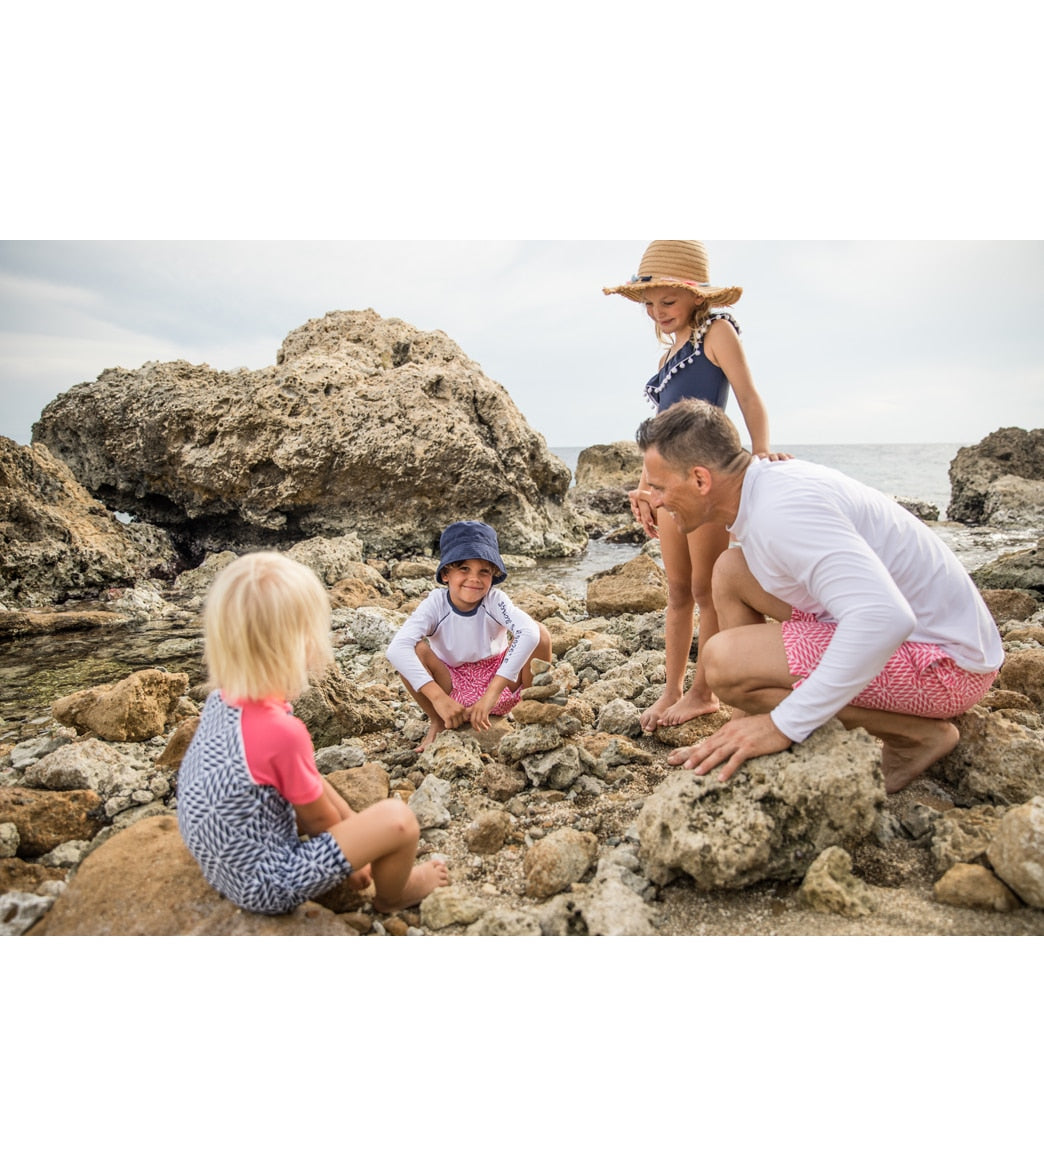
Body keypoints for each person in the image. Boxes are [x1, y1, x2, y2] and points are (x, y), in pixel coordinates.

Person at [635, 400, 1003, 794]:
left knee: (724, 662)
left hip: (946, 667)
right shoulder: (762, 489)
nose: (653, 500)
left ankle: (913, 736)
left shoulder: (782, 513)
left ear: (700, 480)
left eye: (658, 487)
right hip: (923, 639)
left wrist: (784, 724)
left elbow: (885, 618)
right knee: (729, 571)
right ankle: (737, 728)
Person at [178, 551, 449, 916]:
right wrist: (353, 861)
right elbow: (318, 819)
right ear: (302, 645)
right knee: (398, 821)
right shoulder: (281, 732)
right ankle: (393, 896)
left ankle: (358, 841)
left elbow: (307, 783)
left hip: (224, 863)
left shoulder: (223, 701)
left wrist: (352, 830)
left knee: (325, 794)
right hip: (266, 884)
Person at [604, 239, 790, 734]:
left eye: (667, 301)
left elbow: (748, 395)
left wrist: (762, 450)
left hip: (704, 482)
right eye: (649, 304)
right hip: (669, 484)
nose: (657, 313)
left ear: (696, 295)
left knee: (709, 590)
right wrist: (644, 488)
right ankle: (672, 689)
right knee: (678, 591)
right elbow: (660, 432)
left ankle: (703, 692)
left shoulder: (717, 330)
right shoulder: (671, 356)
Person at [387, 519, 552, 751]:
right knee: (413, 650)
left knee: (540, 633)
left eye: (484, 571)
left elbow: (529, 633)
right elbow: (396, 649)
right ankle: (438, 720)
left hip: (501, 684)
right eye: (464, 569)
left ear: (493, 575)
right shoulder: (435, 604)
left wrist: (490, 696)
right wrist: (439, 698)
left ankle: (533, 709)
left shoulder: (495, 601)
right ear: (446, 573)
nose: (474, 578)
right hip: (451, 689)